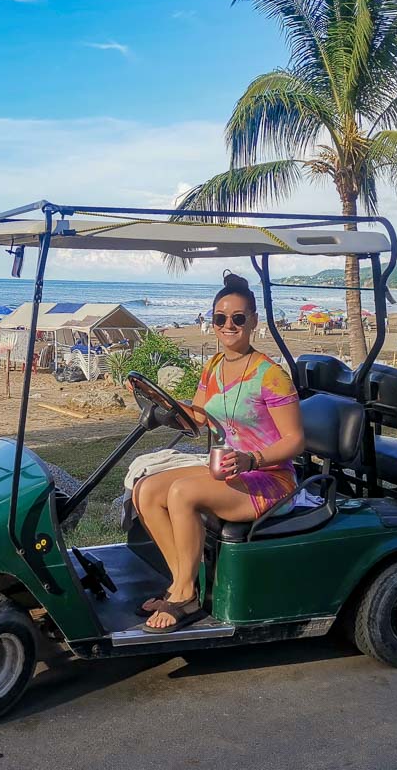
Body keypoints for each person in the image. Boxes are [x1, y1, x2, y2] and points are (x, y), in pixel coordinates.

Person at [132, 272, 304, 634]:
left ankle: (184, 596)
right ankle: (181, 582)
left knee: (181, 492)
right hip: (229, 468)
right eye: (221, 318)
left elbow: (295, 441)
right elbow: (198, 414)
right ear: (212, 322)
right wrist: (166, 406)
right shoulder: (213, 366)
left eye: (238, 318)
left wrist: (251, 459)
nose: (229, 325)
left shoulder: (271, 375)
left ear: (253, 321)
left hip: (269, 478)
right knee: (146, 490)